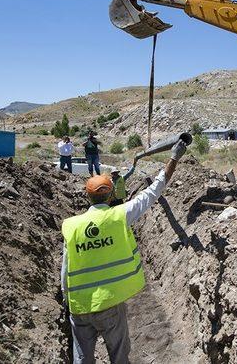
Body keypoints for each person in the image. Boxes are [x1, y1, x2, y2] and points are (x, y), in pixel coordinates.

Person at [60, 139, 188, 364]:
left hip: (79, 307)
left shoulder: (71, 226)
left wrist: (67, 301)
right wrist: (174, 157)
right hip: (109, 305)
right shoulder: (119, 215)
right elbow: (153, 191)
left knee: (82, 359)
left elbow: (65, 269)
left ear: (87, 197)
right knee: (119, 356)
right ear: (110, 196)